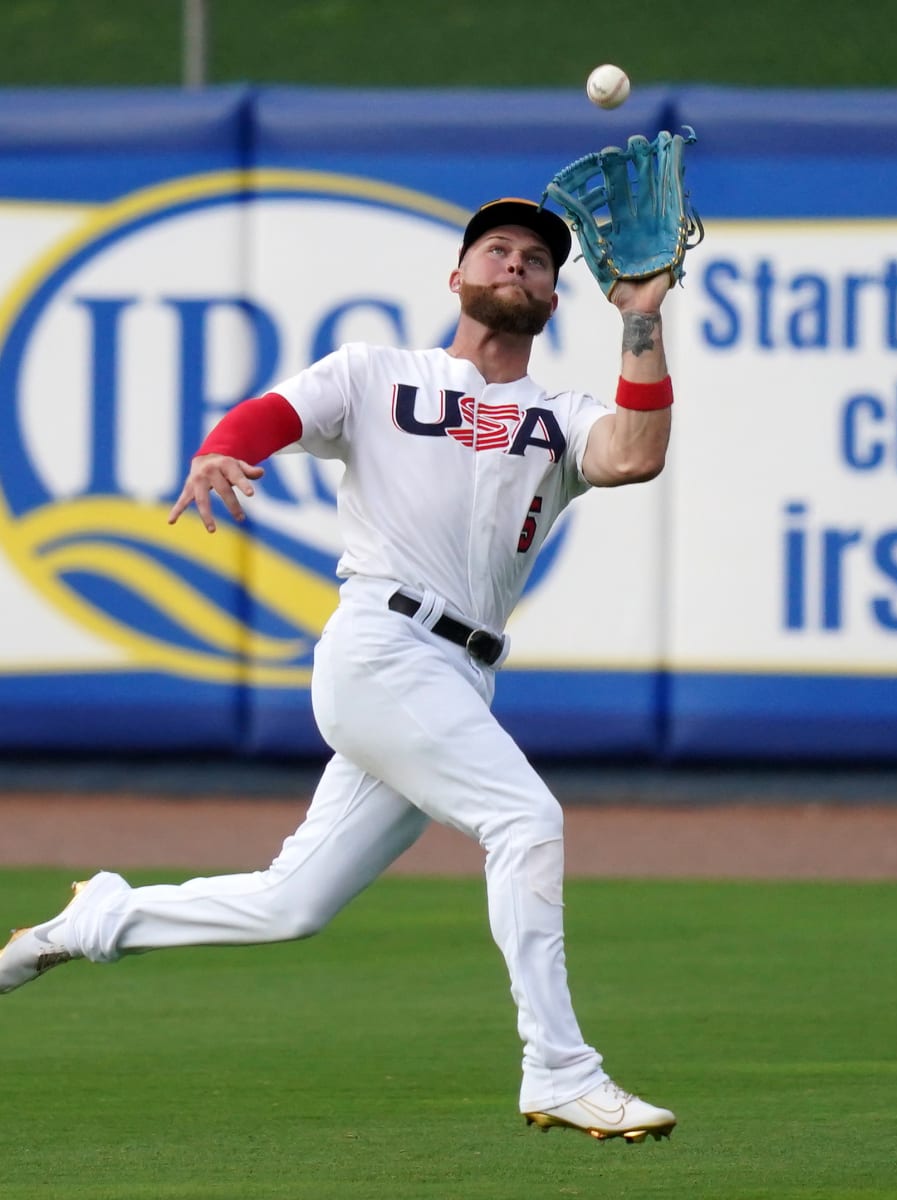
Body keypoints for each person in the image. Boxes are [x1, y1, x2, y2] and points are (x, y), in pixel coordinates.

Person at [0, 198, 678, 1143]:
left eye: (535, 259)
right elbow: (276, 412)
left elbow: (637, 453)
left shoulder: (560, 418)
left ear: (555, 297)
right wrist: (224, 450)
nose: (515, 265)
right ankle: (560, 1068)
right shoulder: (377, 373)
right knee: (525, 819)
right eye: (496, 250)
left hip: (459, 673)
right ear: (457, 276)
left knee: (292, 902)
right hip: (382, 647)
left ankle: (96, 920)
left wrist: (641, 312)